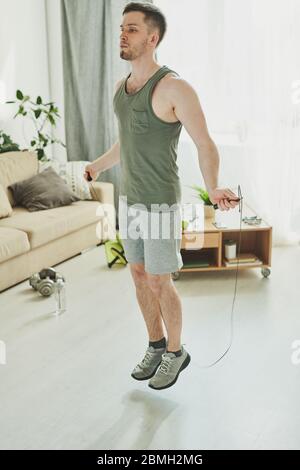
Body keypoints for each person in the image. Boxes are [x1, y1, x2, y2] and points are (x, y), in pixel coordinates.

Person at [84, 2, 239, 391]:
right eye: (122, 27)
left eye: (132, 29)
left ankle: (175, 351)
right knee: (137, 276)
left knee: (159, 280)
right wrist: (100, 165)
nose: (123, 34)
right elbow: (127, 141)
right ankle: (154, 345)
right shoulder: (121, 89)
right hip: (130, 200)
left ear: (152, 39)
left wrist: (215, 184)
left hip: (158, 203)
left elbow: (204, 144)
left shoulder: (175, 88)